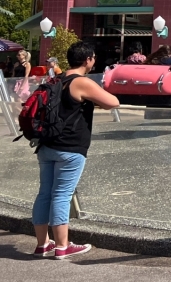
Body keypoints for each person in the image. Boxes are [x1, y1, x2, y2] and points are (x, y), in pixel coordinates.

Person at [32, 41, 120, 259]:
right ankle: (62, 246)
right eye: (93, 58)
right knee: (61, 194)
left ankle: (43, 244)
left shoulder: (57, 80)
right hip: (70, 149)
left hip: (47, 146)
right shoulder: (81, 82)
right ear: (88, 59)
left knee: (45, 193)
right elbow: (113, 102)